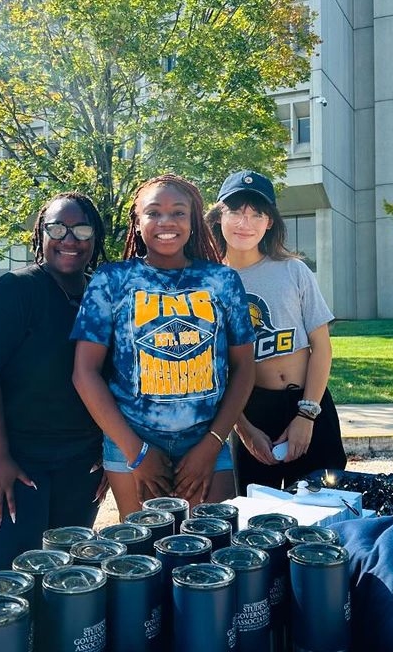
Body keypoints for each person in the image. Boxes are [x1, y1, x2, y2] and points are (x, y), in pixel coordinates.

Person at [72, 174, 256, 519]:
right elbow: (84, 372)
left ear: (193, 220)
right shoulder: (111, 280)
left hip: (206, 440)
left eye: (178, 212)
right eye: (153, 212)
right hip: (132, 441)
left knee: (211, 557)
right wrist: (136, 451)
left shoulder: (222, 280)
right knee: (146, 556)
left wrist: (212, 443)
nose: (166, 222)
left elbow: (245, 368)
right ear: (137, 222)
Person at [0, 193, 108, 573]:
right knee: (7, 581)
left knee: (67, 580)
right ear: (40, 234)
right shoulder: (13, 290)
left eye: (82, 228)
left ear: (96, 239)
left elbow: (113, 378)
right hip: (11, 460)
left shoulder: (103, 294)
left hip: (79, 462)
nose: (69, 238)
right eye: (57, 228)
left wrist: (111, 446)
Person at [207, 170, 346, 493]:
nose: (246, 223)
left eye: (258, 214)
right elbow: (217, 371)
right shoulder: (208, 284)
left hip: (309, 401)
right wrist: (243, 429)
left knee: (325, 508)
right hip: (251, 411)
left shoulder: (292, 269)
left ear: (270, 222)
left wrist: (307, 415)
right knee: (257, 520)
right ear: (218, 216)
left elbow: (321, 348)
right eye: (236, 212)